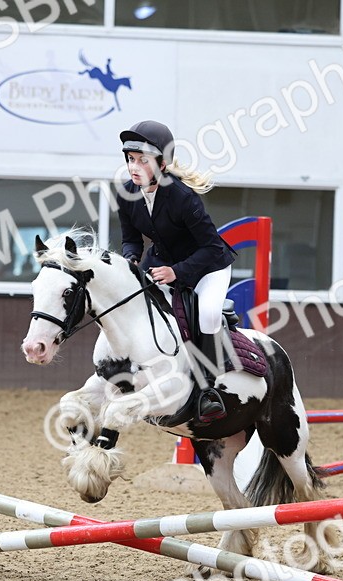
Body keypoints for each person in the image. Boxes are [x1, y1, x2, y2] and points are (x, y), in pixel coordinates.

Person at [116, 120, 235, 423]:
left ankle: (209, 391)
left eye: (143, 160)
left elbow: (210, 247)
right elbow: (131, 238)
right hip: (161, 262)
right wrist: (131, 258)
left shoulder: (182, 197)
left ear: (162, 163)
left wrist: (177, 272)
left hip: (208, 266)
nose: (134, 166)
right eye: (131, 159)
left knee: (207, 314)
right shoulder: (126, 193)